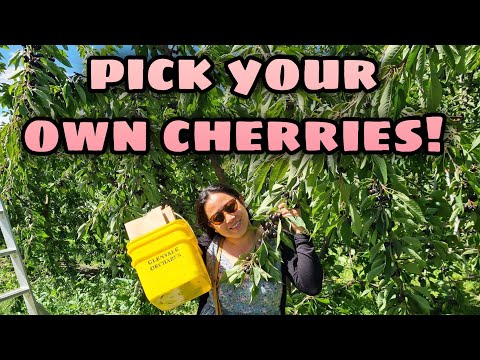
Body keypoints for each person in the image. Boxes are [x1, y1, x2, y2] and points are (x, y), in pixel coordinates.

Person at [194, 184, 323, 315]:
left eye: (231, 207)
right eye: (218, 218)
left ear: (241, 200)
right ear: (211, 225)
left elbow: (311, 285)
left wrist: (300, 231)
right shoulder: (208, 247)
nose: (230, 218)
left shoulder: (274, 238)